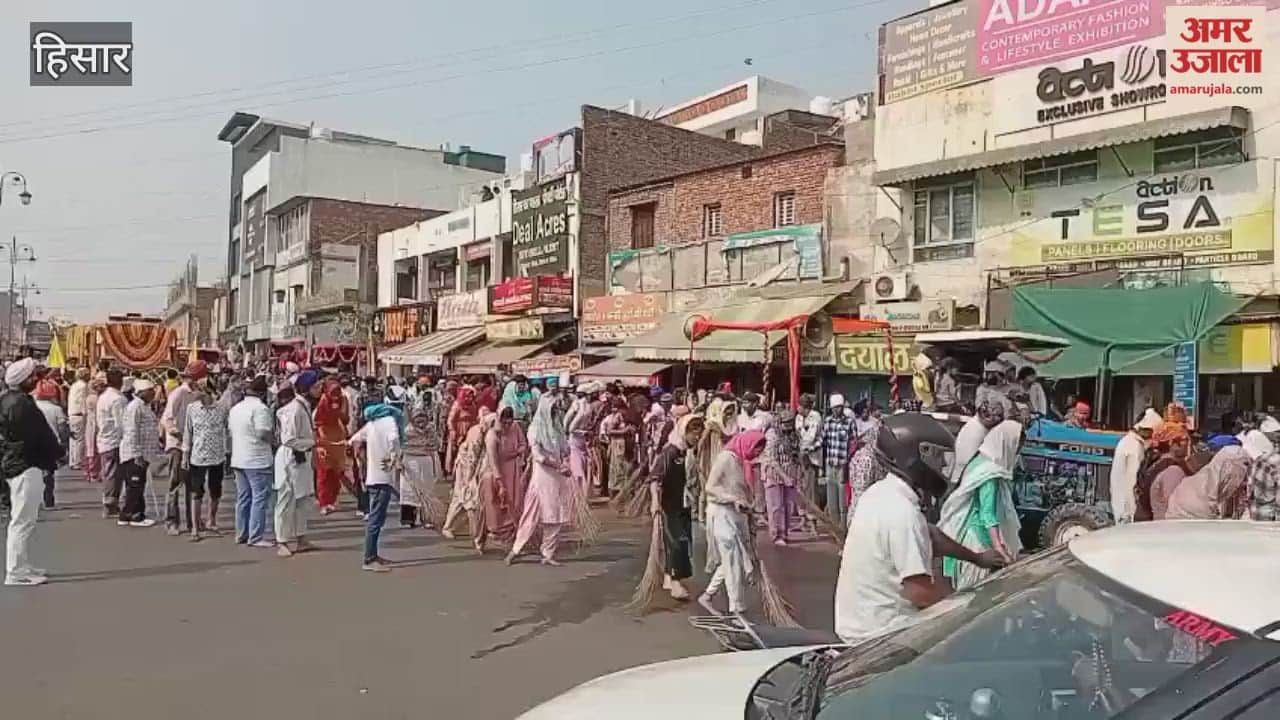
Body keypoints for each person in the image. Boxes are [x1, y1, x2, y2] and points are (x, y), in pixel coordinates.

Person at [835, 414, 1005, 643]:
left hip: (857, 621)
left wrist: (978, 558)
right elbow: (919, 593)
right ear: (918, 456)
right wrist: (963, 607)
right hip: (879, 634)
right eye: (938, 457)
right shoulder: (904, 513)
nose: (943, 465)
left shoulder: (880, 492)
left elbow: (931, 536)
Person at [938, 420, 1024, 591]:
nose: (1016, 453)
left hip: (969, 533)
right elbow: (987, 514)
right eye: (1016, 448)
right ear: (1006, 444)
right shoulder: (990, 474)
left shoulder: (979, 461)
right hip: (978, 541)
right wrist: (999, 548)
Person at [0, 359, 62, 586]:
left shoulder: (11, 400)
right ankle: (16, 571)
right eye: (33, 376)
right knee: (22, 521)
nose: (36, 380)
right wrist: (56, 453)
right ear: (23, 379)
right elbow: (38, 436)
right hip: (25, 464)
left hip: (19, 463)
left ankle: (22, 565)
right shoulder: (20, 405)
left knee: (25, 519)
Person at [698, 430, 766, 617]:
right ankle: (737, 609)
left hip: (736, 515)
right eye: (756, 448)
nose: (757, 453)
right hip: (722, 515)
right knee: (733, 561)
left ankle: (708, 595)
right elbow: (710, 487)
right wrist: (731, 499)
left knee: (733, 560)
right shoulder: (725, 459)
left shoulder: (742, 462)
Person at [506, 395, 573, 566]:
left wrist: (565, 462)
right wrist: (558, 466)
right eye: (552, 409)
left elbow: (565, 449)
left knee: (555, 515)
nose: (555, 412)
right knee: (531, 513)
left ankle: (548, 553)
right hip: (543, 476)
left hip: (557, 477)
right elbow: (538, 456)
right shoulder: (535, 429)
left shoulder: (557, 427)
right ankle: (516, 549)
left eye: (556, 409)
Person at [648, 414, 704, 601]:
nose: (696, 437)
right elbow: (655, 479)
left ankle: (668, 576)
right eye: (693, 433)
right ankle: (675, 582)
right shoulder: (670, 452)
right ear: (683, 432)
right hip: (670, 505)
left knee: (683, 541)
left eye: (699, 433)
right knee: (676, 542)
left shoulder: (687, 453)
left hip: (684, 504)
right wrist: (655, 502)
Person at [350, 398, 404, 572]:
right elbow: (394, 439)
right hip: (383, 476)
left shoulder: (372, 424)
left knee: (376, 518)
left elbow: (354, 439)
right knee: (376, 520)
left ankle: (373, 554)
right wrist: (395, 458)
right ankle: (369, 559)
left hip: (374, 476)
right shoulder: (389, 421)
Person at [273, 371, 319, 557]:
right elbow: (289, 439)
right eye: (316, 386)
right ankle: (282, 541)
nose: (320, 389)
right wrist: (312, 443)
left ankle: (301, 538)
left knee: (302, 499)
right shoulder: (294, 409)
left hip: (302, 458)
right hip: (290, 458)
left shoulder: (304, 406)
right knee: (286, 500)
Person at [229, 376, 276, 548]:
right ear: (262, 393)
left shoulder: (236, 408)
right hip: (257, 459)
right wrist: (274, 441)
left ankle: (241, 533)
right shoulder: (260, 409)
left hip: (239, 457)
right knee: (259, 498)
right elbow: (263, 433)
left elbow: (231, 431)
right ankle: (255, 536)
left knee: (243, 497)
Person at [161, 362, 204, 536]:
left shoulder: (198, 394)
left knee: (193, 484)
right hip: (178, 445)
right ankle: (171, 520)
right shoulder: (178, 393)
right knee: (175, 483)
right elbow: (168, 418)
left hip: (194, 445)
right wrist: (178, 435)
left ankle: (192, 520)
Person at [182, 378, 228, 539]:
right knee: (196, 492)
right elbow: (188, 432)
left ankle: (211, 521)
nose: (194, 392)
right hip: (198, 455)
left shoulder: (221, 408)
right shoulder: (192, 408)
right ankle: (195, 528)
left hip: (217, 455)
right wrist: (185, 454)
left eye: (197, 389)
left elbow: (227, 429)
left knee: (215, 490)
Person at [442, 407, 493, 550]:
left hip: (473, 467)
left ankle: (453, 527)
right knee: (464, 496)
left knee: (465, 498)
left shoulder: (484, 431)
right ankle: (450, 527)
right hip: (466, 467)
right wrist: (469, 478)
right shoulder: (477, 433)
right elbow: (472, 457)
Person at [117, 379, 161, 528]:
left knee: (139, 485)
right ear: (142, 392)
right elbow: (131, 431)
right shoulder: (135, 407)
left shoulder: (144, 406)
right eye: (151, 391)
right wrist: (137, 454)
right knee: (135, 485)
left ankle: (138, 513)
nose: (153, 393)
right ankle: (129, 514)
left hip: (144, 453)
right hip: (134, 454)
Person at [1166, 446, 1251, 520]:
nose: (1241, 482)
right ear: (1229, 470)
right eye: (1241, 476)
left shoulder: (1192, 484)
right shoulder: (1199, 498)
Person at [1109, 408, 1162, 523]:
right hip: (1127, 510)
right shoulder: (1134, 448)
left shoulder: (1129, 441)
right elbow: (1131, 482)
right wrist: (1131, 511)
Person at [759, 408, 802, 546]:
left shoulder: (793, 435)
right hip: (774, 474)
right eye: (786, 423)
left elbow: (796, 456)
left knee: (788, 505)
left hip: (790, 473)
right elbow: (772, 460)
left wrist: (795, 474)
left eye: (790, 423)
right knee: (776, 506)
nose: (788, 426)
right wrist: (784, 477)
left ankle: (784, 533)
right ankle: (776, 534)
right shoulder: (772, 436)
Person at [400, 397, 443, 528]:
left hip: (426, 461)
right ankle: (408, 519)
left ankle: (427, 518)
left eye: (423, 418)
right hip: (410, 461)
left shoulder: (431, 429)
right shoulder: (406, 431)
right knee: (409, 491)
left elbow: (436, 444)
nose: (420, 422)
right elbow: (400, 446)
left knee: (427, 490)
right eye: (417, 419)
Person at [694, 396, 738, 522]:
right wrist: (698, 458)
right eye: (726, 411)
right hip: (710, 459)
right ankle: (702, 515)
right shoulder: (711, 425)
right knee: (706, 487)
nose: (728, 414)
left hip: (725, 459)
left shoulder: (732, 425)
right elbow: (701, 443)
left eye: (730, 411)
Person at [313, 378, 352, 515]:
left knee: (337, 472)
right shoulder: (323, 401)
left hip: (338, 439)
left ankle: (332, 499)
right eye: (333, 392)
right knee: (324, 473)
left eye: (337, 392)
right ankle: (324, 502)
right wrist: (321, 440)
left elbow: (346, 419)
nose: (335, 395)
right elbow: (318, 422)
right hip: (324, 439)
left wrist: (341, 411)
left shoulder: (343, 400)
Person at [949, 402, 1004, 487]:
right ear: (988, 418)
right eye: (998, 417)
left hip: (959, 477)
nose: (999, 421)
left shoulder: (974, 424)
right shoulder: (977, 431)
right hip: (965, 480)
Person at [820, 394, 856, 525]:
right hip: (830, 463)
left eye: (840, 407)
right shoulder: (827, 422)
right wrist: (808, 449)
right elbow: (822, 440)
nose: (837, 410)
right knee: (831, 497)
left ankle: (843, 526)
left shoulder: (849, 422)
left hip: (843, 464)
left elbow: (853, 442)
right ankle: (834, 526)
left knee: (843, 497)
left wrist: (849, 460)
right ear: (832, 408)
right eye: (835, 407)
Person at [33, 381, 68, 510]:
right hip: (51, 444)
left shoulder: (32, 407)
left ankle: (35, 500)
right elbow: (62, 428)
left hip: (34, 444)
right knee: (49, 473)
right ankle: (49, 500)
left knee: (35, 473)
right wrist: (64, 444)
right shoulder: (56, 409)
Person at [600, 398, 634, 496]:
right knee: (617, 469)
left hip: (622, 444)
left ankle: (621, 491)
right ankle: (616, 492)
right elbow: (610, 431)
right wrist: (624, 431)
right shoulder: (617, 417)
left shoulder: (622, 416)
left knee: (622, 468)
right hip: (617, 444)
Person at [796, 393, 823, 506]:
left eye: (799, 406)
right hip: (801, 453)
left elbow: (811, 437)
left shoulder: (815, 416)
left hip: (812, 454)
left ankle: (813, 509)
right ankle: (805, 508)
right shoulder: (798, 417)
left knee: (811, 485)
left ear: (805, 407)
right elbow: (797, 432)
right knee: (803, 484)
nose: (797, 408)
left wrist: (806, 448)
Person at [446, 385, 478, 474]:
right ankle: (453, 471)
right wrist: (452, 430)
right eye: (467, 396)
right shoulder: (457, 405)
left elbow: (475, 418)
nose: (469, 399)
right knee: (455, 451)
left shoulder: (473, 405)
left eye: (471, 397)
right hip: (458, 430)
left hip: (469, 430)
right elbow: (450, 420)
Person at [83, 373, 105, 483]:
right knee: (94, 449)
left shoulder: (88, 397)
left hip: (90, 422)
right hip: (95, 423)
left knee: (90, 448)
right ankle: (94, 473)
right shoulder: (96, 398)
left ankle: (89, 471)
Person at [67, 368, 89, 470]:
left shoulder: (74, 385)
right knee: (79, 439)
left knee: (73, 439)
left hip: (72, 414)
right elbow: (83, 401)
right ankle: (77, 461)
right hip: (79, 414)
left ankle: (73, 461)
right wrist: (85, 414)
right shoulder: (83, 386)